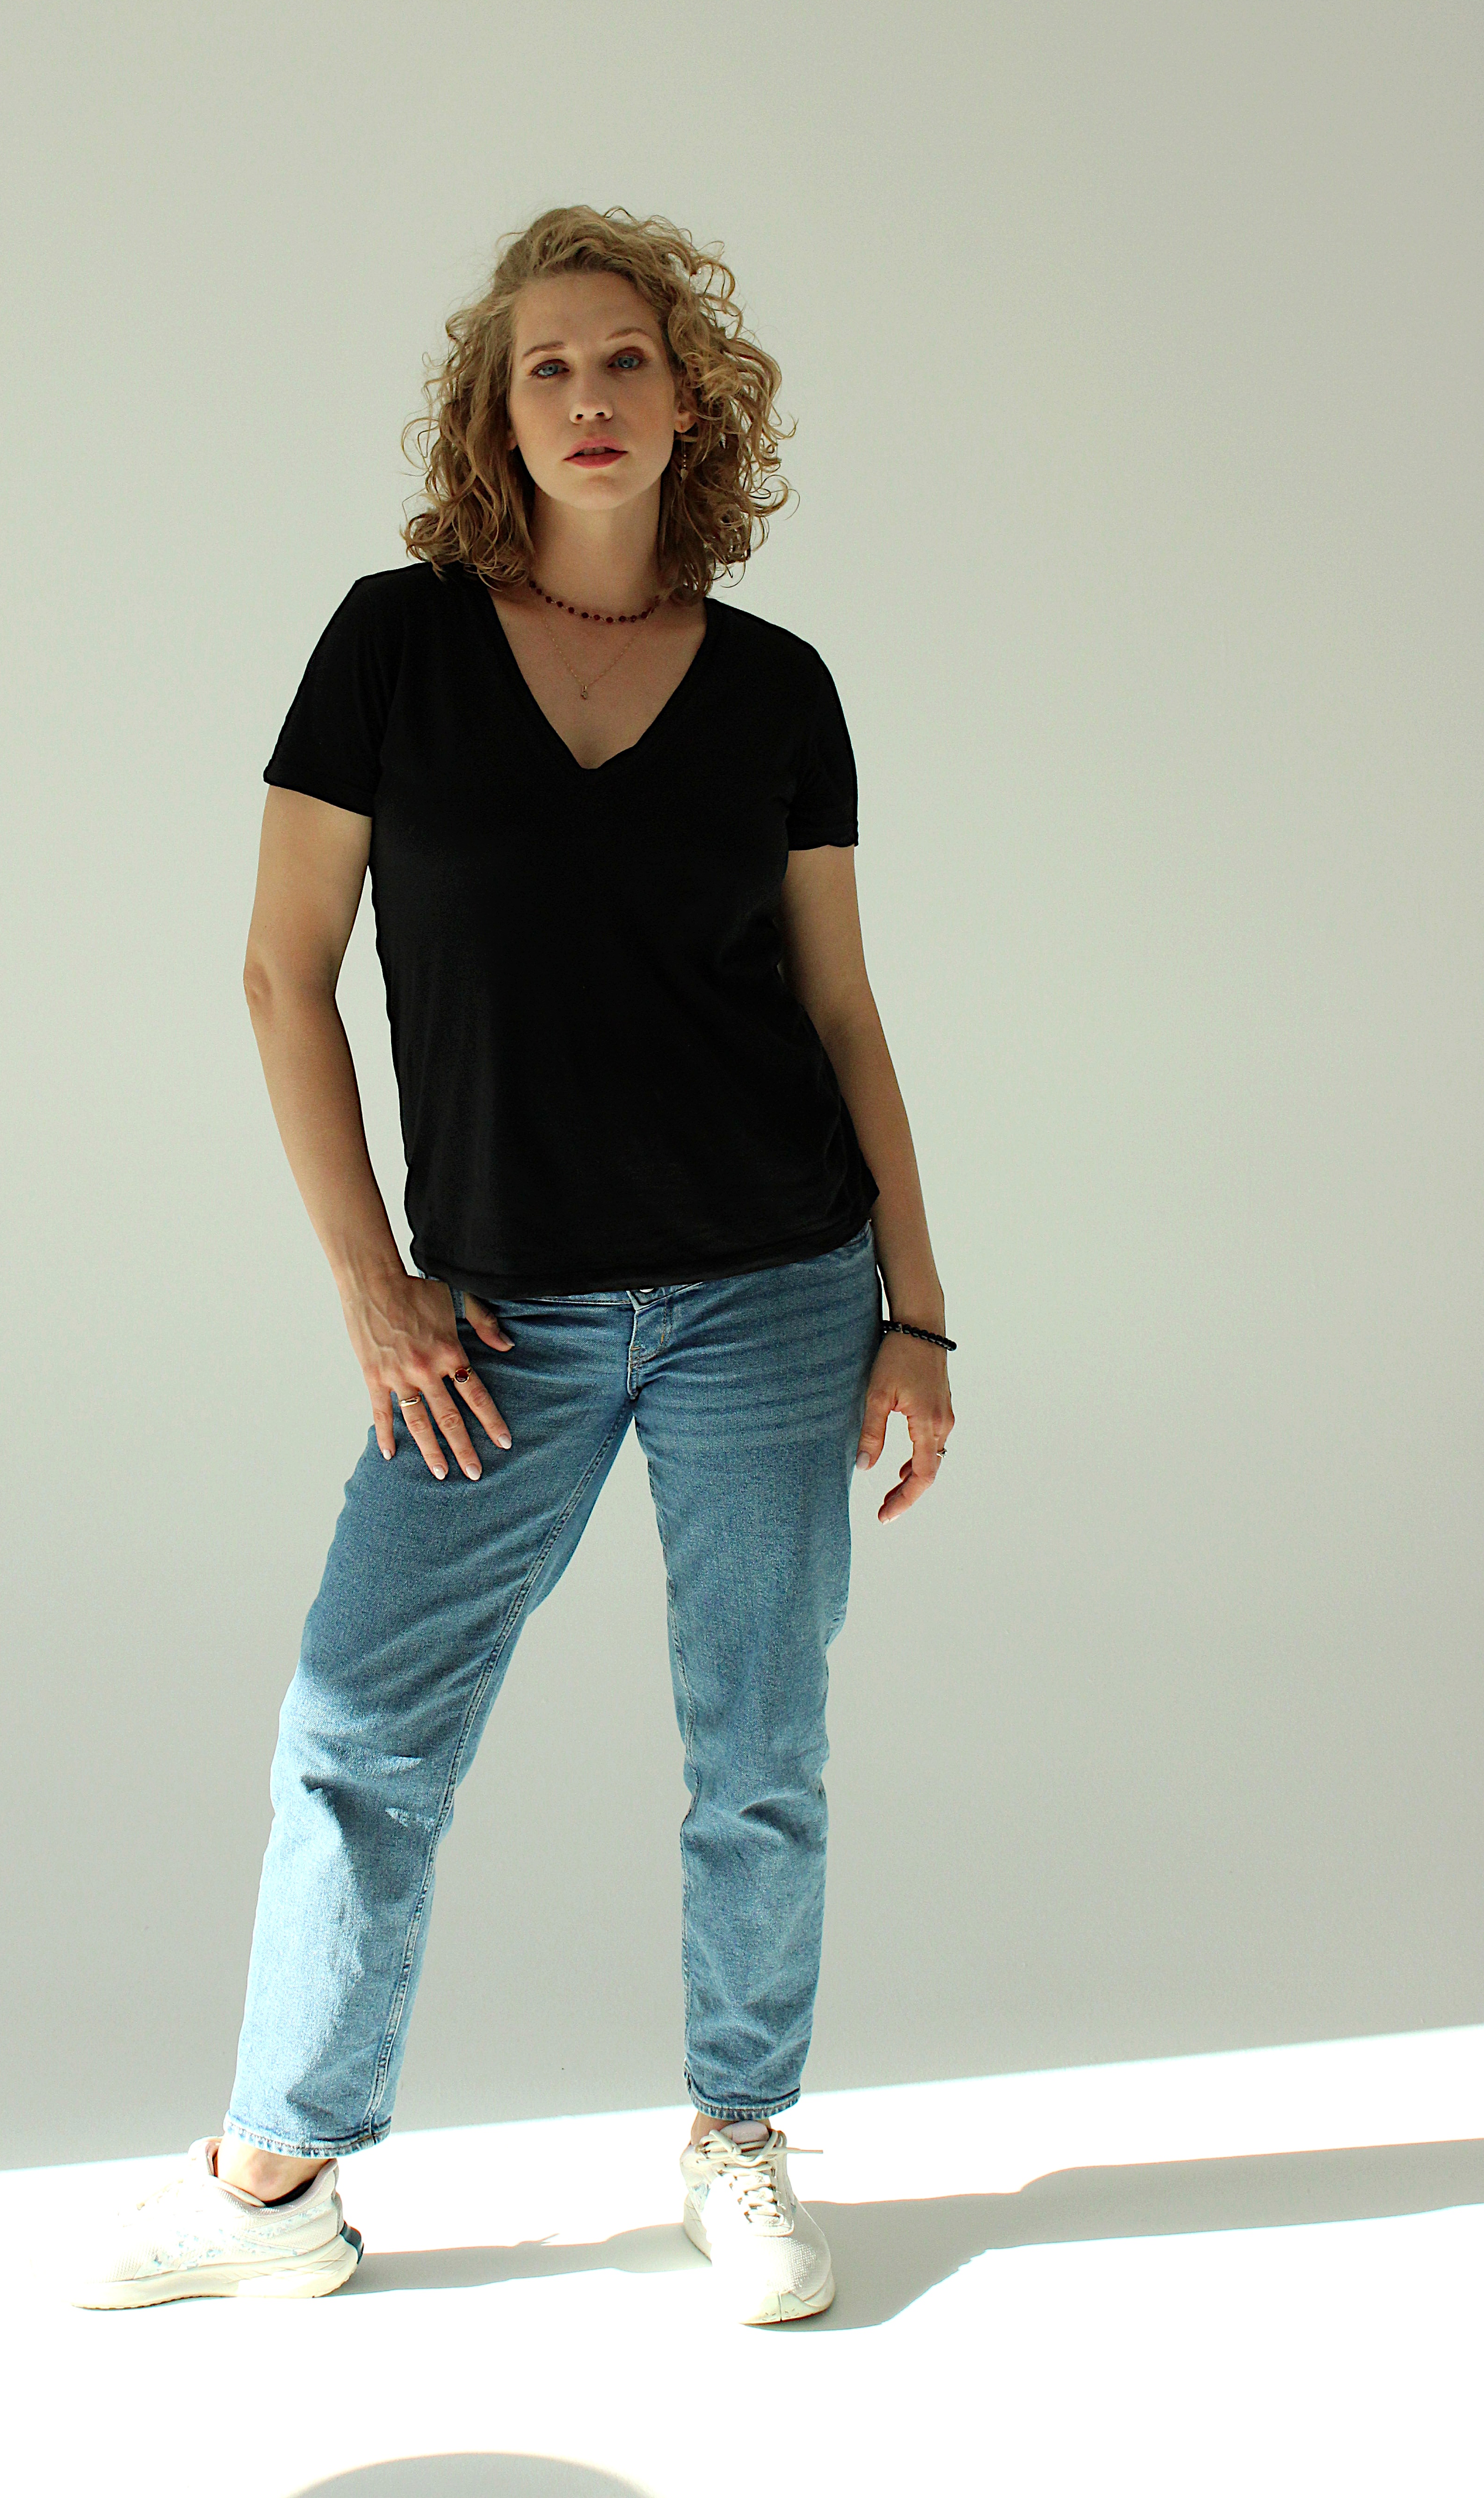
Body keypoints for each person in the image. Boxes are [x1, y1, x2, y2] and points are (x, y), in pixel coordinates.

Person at [71, 205, 955, 2325]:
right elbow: (282, 973)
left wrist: (915, 1309)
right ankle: (277, 2180)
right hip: (492, 1319)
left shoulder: (779, 688)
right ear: (497, 409)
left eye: (626, 359)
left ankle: (738, 2138)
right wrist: (372, 1286)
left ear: (692, 404)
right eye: (545, 365)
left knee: (757, 1747)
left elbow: (842, 1011)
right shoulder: (391, 645)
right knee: (360, 1730)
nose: (588, 397)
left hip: (774, 1290)